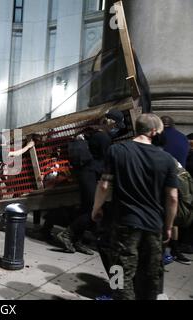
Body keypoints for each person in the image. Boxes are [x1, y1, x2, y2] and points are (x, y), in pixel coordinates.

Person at [92, 113, 178, 300]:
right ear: (154, 131)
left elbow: (104, 185)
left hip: (124, 222)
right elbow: (172, 197)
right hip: (154, 225)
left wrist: (96, 208)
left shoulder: (117, 151)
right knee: (151, 275)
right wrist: (169, 226)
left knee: (119, 270)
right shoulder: (167, 159)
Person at [56, 109, 126, 255]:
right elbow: (107, 159)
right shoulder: (103, 137)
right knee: (92, 208)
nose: (116, 128)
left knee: (86, 208)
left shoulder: (97, 133)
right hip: (89, 174)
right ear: (110, 122)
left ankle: (77, 240)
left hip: (88, 173)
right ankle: (67, 234)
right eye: (115, 125)